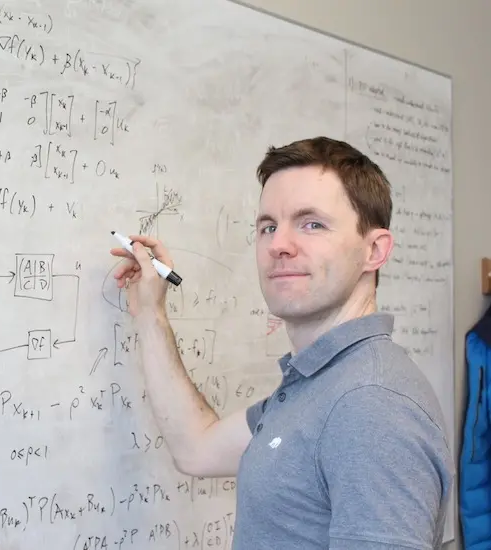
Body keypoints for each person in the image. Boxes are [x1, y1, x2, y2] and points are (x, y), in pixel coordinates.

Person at [110, 136, 455, 549]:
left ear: (374, 250)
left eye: (312, 224)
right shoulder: (320, 381)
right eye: (268, 227)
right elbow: (197, 448)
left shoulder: (370, 406)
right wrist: (151, 313)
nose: (278, 245)